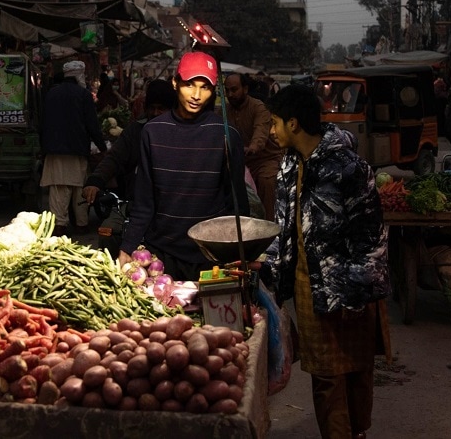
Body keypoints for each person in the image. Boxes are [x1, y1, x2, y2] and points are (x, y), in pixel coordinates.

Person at [262, 84, 391, 439]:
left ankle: (357, 431)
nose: (271, 132)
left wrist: (356, 291)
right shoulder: (289, 167)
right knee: (325, 378)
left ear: (293, 124)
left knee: (357, 373)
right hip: (307, 289)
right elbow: (285, 229)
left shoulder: (349, 168)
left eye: (275, 123)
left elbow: (372, 237)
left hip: (349, 289)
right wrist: (267, 262)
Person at [118, 51, 262, 282]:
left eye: (204, 87)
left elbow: (236, 203)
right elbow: (144, 201)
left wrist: (235, 252)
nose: (196, 95)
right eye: (189, 85)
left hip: (210, 255)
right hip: (161, 254)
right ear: (175, 83)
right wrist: (128, 246)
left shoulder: (227, 136)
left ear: (214, 90)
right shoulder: (152, 132)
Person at [82, 79, 176, 253]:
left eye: (161, 108)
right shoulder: (135, 131)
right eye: (152, 108)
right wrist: (95, 181)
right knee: (107, 233)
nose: (155, 113)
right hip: (135, 204)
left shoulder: (181, 133)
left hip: (170, 209)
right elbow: (115, 158)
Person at [40, 59, 107, 235]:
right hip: (77, 149)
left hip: (53, 150)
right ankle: (81, 223)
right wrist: (102, 147)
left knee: (58, 189)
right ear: (79, 75)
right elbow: (92, 124)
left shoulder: (51, 93)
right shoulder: (83, 94)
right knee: (79, 188)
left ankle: (59, 223)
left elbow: (43, 121)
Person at [224, 72, 284, 221]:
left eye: (234, 89)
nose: (230, 94)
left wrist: (252, 147)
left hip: (265, 160)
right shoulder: (225, 111)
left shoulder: (259, 108)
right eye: (227, 90)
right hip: (240, 162)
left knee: (267, 181)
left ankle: (270, 227)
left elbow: (260, 133)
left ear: (245, 89)